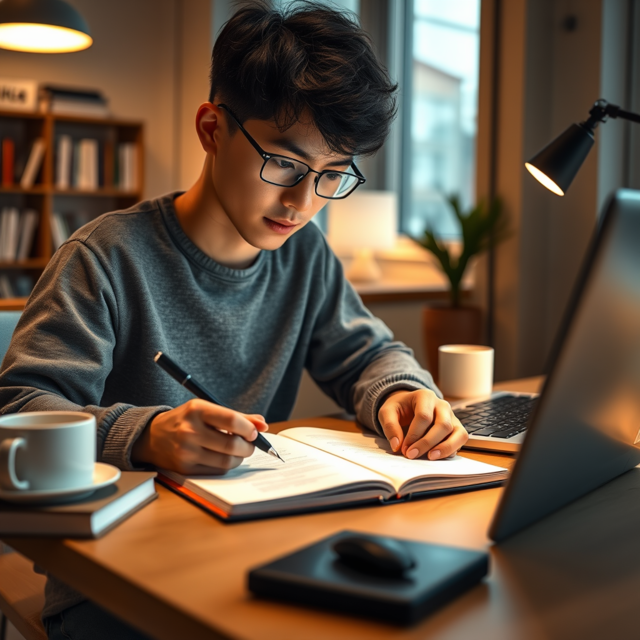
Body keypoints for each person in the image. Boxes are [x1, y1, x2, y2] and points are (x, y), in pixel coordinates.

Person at [0, 2, 468, 638]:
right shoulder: (104, 258)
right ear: (211, 128)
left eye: (332, 176)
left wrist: (404, 390)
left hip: (252, 553)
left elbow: (367, 355)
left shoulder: (303, 255)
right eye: (285, 164)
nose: (303, 203)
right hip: (112, 581)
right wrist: (146, 433)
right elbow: (18, 413)